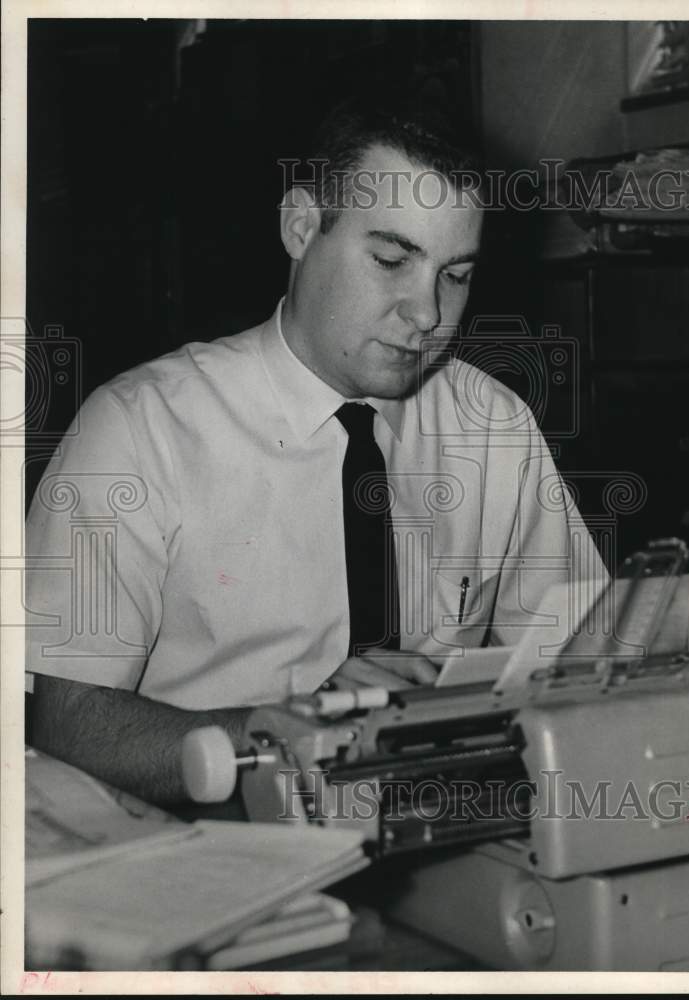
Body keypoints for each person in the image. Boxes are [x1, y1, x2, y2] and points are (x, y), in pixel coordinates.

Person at [26, 98, 606, 806]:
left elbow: (581, 666)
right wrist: (279, 733)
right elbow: (69, 723)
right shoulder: (139, 428)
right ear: (301, 227)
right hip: (208, 862)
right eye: (392, 259)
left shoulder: (494, 426)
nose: (427, 316)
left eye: (455, 276)